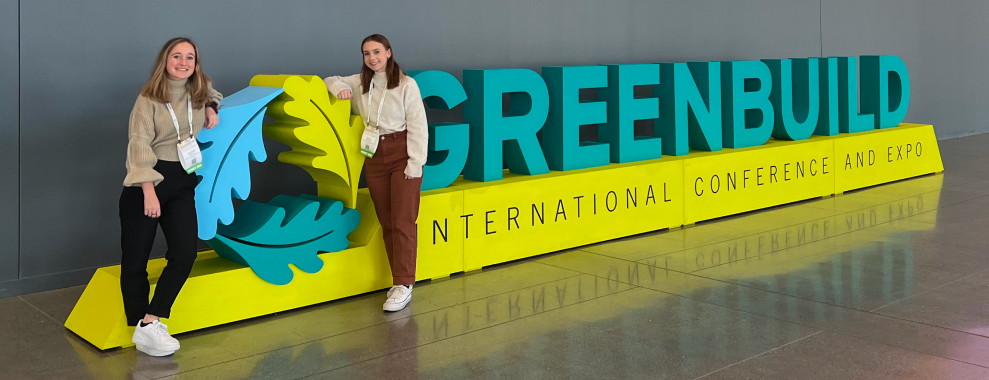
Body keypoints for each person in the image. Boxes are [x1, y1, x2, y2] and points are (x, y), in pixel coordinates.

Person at [119, 37, 222, 356]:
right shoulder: (147, 98)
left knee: (184, 252)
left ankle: (152, 320)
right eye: (176, 56)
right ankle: (141, 325)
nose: (183, 62)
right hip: (148, 183)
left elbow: (214, 92)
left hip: (181, 179)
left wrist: (211, 105)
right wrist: (149, 192)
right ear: (164, 60)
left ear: (196, 63)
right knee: (136, 259)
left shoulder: (198, 89)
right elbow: (138, 146)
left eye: (190, 57)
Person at [324, 34, 428, 312]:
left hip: (402, 152)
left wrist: (415, 163)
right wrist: (339, 90)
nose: (372, 58)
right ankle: (399, 281)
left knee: (404, 221)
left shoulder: (407, 84)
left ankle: (404, 283)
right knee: (387, 220)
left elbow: (418, 125)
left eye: (377, 52)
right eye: (367, 53)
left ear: (389, 52)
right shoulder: (361, 82)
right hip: (374, 153)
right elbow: (330, 79)